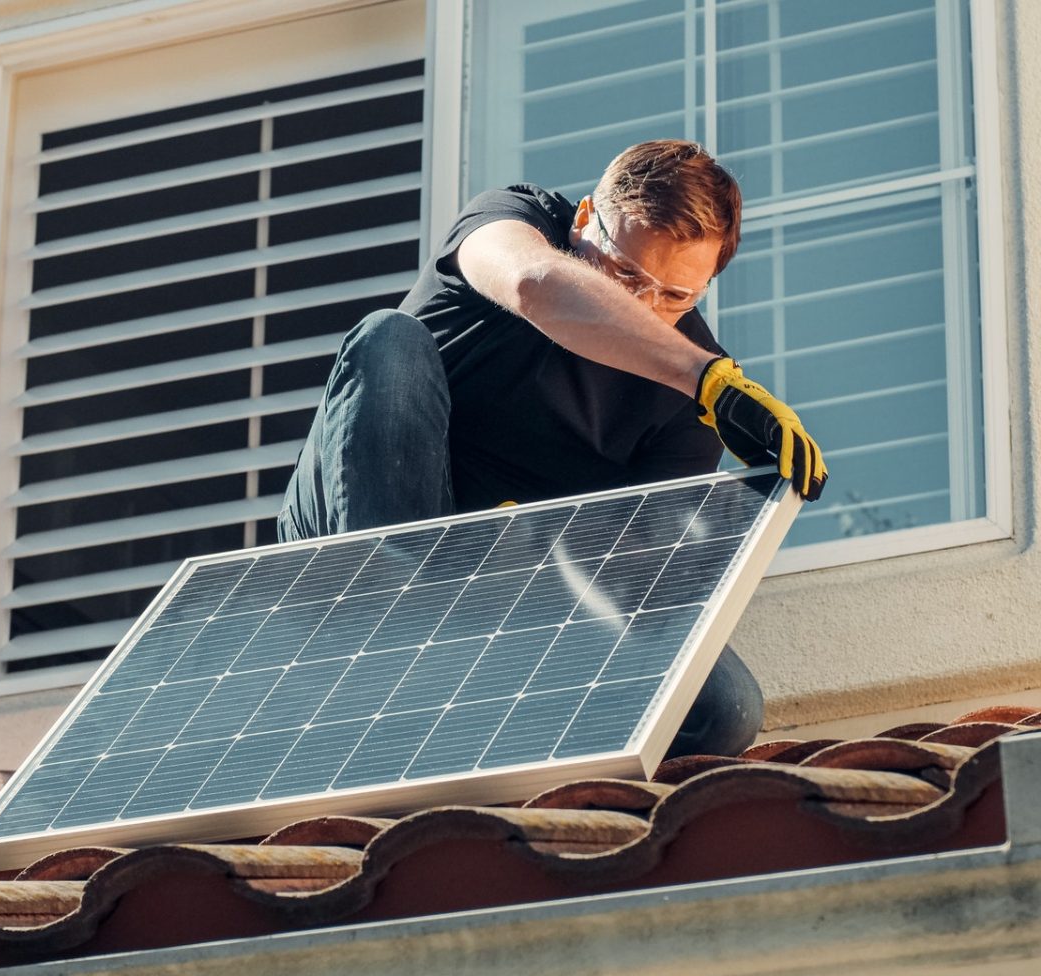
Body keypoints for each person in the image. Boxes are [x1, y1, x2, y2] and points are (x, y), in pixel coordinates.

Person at [277, 140, 827, 758]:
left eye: (676, 297)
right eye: (624, 274)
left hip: (507, 595)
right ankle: (388, 636)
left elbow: (638, 590)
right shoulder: (517, 219)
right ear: (585, 218)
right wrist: (705, 377)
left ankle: (495, 720)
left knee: (723, 710)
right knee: (389, 339)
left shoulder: (687, 402)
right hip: (373, 533)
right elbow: (531, 280)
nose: (643, 306)